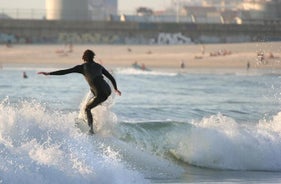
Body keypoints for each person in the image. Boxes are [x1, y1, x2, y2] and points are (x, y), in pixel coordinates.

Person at [38, 49, 121, 134]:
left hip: (101, 94)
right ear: (93, 57)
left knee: (87, 108)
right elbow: (110, 77)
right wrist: (115, 89)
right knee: (92, 91)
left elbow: (65, 71)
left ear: (84, 57)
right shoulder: (99, 66)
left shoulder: (82, 67)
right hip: (108, 90)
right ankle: (98, 103)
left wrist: (49, 73)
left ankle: (91, 130)